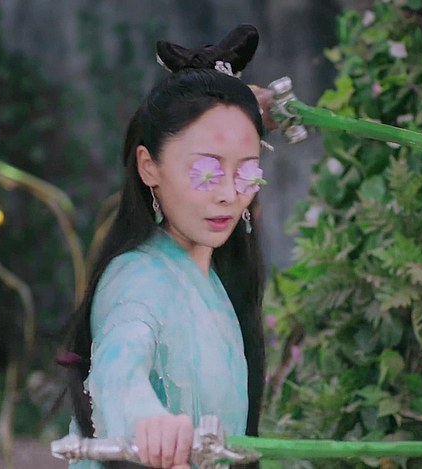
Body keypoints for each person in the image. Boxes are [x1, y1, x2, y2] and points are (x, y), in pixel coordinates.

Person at [62, 25, 269, 469]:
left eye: (246, 172)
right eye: (207, 172)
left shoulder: (214, 274)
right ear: (148, 166)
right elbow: (119, 366)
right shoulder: (138, 278)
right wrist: (148, 420)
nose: (229, 194)